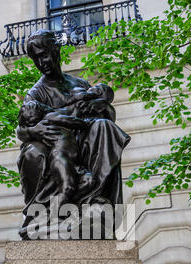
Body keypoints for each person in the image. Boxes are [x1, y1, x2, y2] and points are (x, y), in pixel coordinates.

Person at [16, 30, 131, 239]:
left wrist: (98, 107)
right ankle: (52, 213)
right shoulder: (35, 93)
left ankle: (95, 198)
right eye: (36, 58)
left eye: (45, 54)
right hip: (56, 146)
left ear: (56, 50)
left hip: (82, 141)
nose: (42, 62)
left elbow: (107, 111)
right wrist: (34, 130)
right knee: (34, 152)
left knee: (105, 127)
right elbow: (22, 127)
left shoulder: (80, 84)